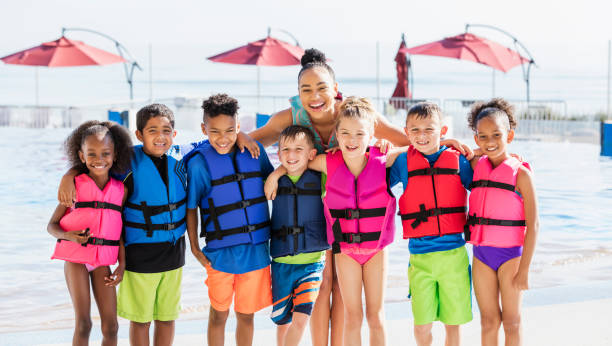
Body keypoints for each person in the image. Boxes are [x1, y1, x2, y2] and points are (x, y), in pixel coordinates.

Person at [240, 48, 470, 346]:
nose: (315, 95)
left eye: (322, 87)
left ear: (335, 90)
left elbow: (410, 140)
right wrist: (274, 170)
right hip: (317, 208)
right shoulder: (290, 116)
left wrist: (442, 144)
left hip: (353, 217)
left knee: (352, 298)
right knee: (322, 287)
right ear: (297, 93)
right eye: (306, 89)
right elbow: (253, 142)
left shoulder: (357, 114)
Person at [267, 97, 406, 346]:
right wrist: (277, 173)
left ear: (371, 134)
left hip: (376, 251)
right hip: (345, 253)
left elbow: (421, 147)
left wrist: (448, 142)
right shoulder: (327, 163)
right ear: (337, 135)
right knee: (353, 317)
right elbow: (297, 161)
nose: (352, 140)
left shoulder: (384, 160)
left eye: (359, 134)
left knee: (375, 316)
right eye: (345, 133)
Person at [57, 104, 190, 346]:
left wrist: (243, 135)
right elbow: (98, 160)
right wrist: (69, 175)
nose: (160, 137)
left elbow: (215, 143)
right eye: (152, 131)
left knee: (166, 318)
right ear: (139, 135)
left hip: (174, 253)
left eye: (166, 131)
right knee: (138, 320)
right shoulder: (127, 163)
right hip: (140, 254)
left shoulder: (182, 157)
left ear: (174, 133)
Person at [185, 94, 274, 346]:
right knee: (218, 315)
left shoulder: (255, 153)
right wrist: (193, 247)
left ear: (239, 127)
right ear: (204, 129)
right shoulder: (199, 163)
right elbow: (190, 207)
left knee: (246, 316)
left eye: (230, 130)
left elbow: (275, 182)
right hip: (219, 254)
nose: (222, 138)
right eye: (214, 131)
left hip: (256, 251)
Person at [390, 102, 474, 346]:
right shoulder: (402, 163)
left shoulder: (459, 161)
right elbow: (373, 169)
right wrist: (392, 150)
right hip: (420, 259)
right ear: (406, 133)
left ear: (443, 130)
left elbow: (484, 179)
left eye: (429, 129)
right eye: (415, 130)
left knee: (453, 324)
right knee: (422, 326)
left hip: (454, 257)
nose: (422, 136)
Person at [47, 120, 132, 346]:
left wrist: (122, 265)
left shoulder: (120, 189)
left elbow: (119, 231)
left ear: (115, 155)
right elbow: (52, 225)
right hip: (76, 259)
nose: (99, 159)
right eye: (91, 154)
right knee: (84, 324)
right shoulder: (74, 185)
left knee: (112, 327)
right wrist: (68, 236)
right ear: (81, 156)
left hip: (102, 263)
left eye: (105, 153)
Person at [466, 99, 538, 346]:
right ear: (476, 139)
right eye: (483, 137)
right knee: (488, 322)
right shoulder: (475, 165)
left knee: (512, 322)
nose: (490, 142)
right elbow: (441, 148)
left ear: (510, 135)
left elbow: (535, 226)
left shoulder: (522, 175)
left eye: (497, 135)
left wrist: (525, 270)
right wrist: (473, 152)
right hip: (482, 255)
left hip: (512, 258)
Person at [268, 125, 329, 346]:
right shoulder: (273, 181)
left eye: (298, 149)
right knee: (283, 321)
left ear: (312, 154)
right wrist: (276, 174)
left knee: (301, 320)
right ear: (278, 152)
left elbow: (343, 167)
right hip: (281, 263)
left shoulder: (320, 179)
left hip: (312, 265)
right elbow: (265, 195)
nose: (291, 155)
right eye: (285, 149)